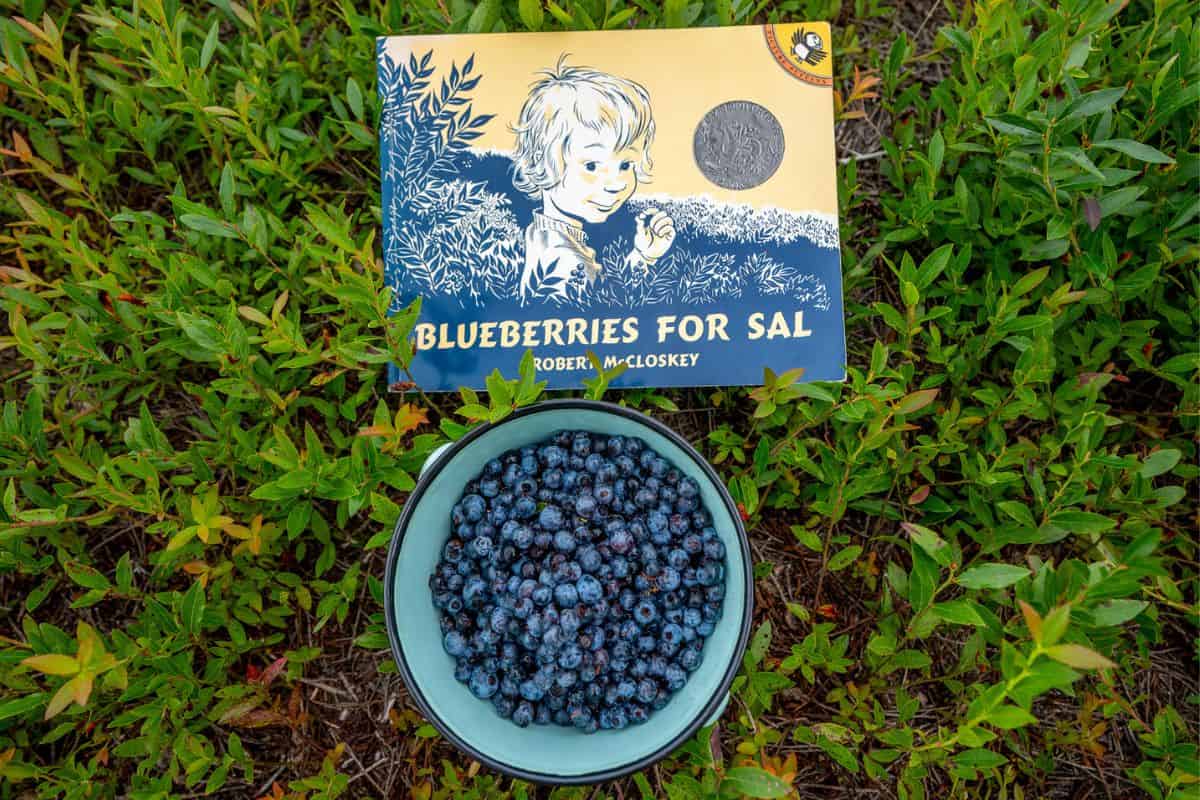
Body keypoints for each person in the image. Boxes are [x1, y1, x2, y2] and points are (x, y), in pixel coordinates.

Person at [510, 57, 676, 303]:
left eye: (625, 165)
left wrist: (643, 256)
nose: (616, 183)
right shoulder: (561, 258)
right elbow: (601, 317)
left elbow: (600, 299)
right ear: (543, 160)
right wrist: (643, 261)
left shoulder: (548, 235)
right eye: (591, 165)